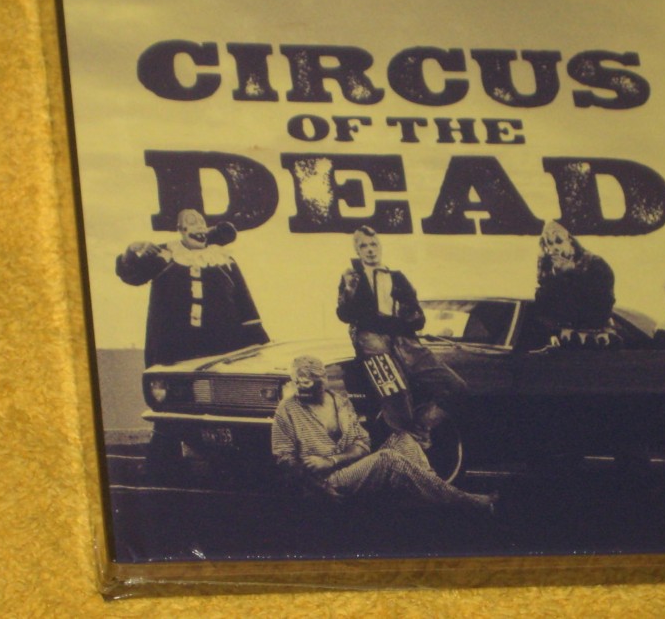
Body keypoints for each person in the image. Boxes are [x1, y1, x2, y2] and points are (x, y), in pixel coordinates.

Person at [270, 355, 496, 514]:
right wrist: (317, 486)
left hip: (349, 469)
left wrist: (333, 460)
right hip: (322, 482)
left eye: (308, 385)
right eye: (297, 384)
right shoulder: (287, 409)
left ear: (323, 380)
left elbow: (362, 444)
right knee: (387, 459)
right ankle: (468, 502)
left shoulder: (339, 402)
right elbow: (283, 457)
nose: (301, 390)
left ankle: (434, 495)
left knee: (403, 439)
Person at [336, 226, 466, 443]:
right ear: (357, 251)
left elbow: (419, 320)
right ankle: (406, 445)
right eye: (364, 246)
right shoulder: (352, 277)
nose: (370, 250)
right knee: (397, 396)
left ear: (380, 246)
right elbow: (344, 315)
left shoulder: (398, 277)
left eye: (373, 244)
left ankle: (418, 429)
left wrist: (406, 312)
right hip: (373, 343)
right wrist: (349, 291)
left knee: (456, 387)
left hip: (407, 343)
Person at [116, 209, 268, 368]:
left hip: (223, 350)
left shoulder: (223, 260)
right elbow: (131, 276)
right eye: (192, 222)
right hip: (175, 352)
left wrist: (259, 341)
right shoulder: (166, 256)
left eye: (202, 222)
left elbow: (245, 304)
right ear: (181, 229)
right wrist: (132, 250)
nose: (199, 226)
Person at [531, 219, 617, 347]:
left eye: (559, 241)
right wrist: (554, 277)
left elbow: (600, 307)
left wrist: (570, 274)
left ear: (570, 241)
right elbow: (542, 308)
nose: (554, 248)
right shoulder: (549, 268)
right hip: (561, 339)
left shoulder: (595, 264)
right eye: (549, 243)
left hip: (593, 339)